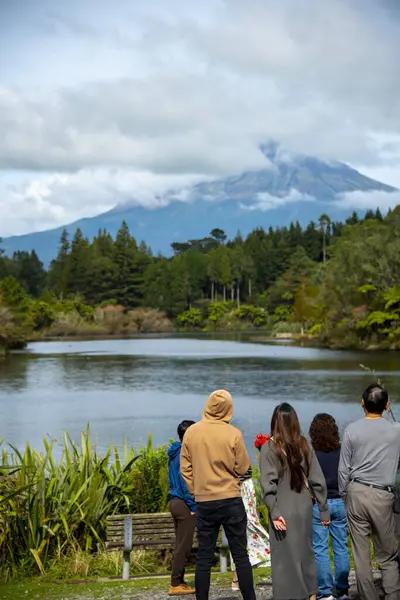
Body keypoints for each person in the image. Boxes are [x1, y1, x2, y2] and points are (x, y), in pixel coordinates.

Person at [180, 389, 256, 600]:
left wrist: (196, 490)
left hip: (205, 500)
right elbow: (243, 468)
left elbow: (185, 469)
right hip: (231, 499)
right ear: (228, 409)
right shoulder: (233, 433)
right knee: (241, 555)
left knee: (204, 556)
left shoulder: (192, 432)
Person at [260, 403, 330, 600]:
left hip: (283, 508)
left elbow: (268, 485)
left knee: (284, 560)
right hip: (304, 507)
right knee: (305, 555)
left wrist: (274, 512)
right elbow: (318, 479)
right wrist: (324, 510)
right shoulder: (304, 444)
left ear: (275, 421)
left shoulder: (269, 448)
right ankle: (311, 595)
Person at [339, 383, 400, 600]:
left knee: (361, 555)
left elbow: (343, 469)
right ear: (387, 405)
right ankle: (393, 595)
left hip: (356, 491)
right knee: (387, 555)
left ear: (363, 403)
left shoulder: (351, 430)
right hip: (383, 495)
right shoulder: (396, 430)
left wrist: (345, 496)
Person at [309, 413, 350, 600]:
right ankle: (342, 589)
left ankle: (325, 592)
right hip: (340, 502)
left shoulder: (311, 453)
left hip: (319, 504)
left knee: (320, 548)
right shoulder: (341, 451)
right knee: (341, 547)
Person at [231, 464, 271, 592]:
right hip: (234, 485)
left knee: (246, 526)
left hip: (239, 484)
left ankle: (237, 578)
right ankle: (236, 578)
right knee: (238, 529)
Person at [168, 420, 196, 596]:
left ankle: (180, 581)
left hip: (175, 500)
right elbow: (186, 483)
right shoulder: (182, 455)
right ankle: (175, 583)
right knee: (184, 546)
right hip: (184, 503)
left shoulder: (175, 451)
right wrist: (193, 506)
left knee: (180, 543)